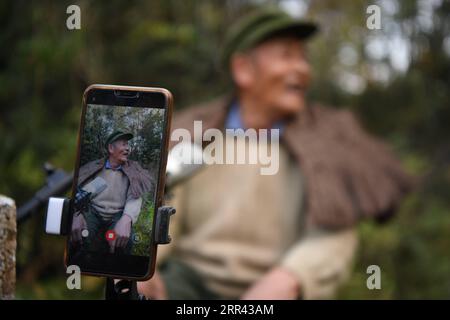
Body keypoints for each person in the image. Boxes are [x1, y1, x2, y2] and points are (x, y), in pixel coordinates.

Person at [138, 8, 414, 299]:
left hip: (278, 288)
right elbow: (165, 211)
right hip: (189, 287)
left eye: (303, 58)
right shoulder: (193, 133)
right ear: (243, 69)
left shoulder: (331, 140)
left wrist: (291, 279)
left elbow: (336, 231)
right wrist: (147, 273)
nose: (302, 69)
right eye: (287, 56)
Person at [71, 130, 153, 254]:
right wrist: (77, 214)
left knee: (125, 241)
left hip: (117, 214)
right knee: (81, 237)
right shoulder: (94, 167)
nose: (127, 148)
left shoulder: (133, 170)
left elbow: (134, 197)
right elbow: (83, 193)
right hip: (93, 212)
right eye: (123, 144)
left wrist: (126, 218)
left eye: (128, 145)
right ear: (111, 148)